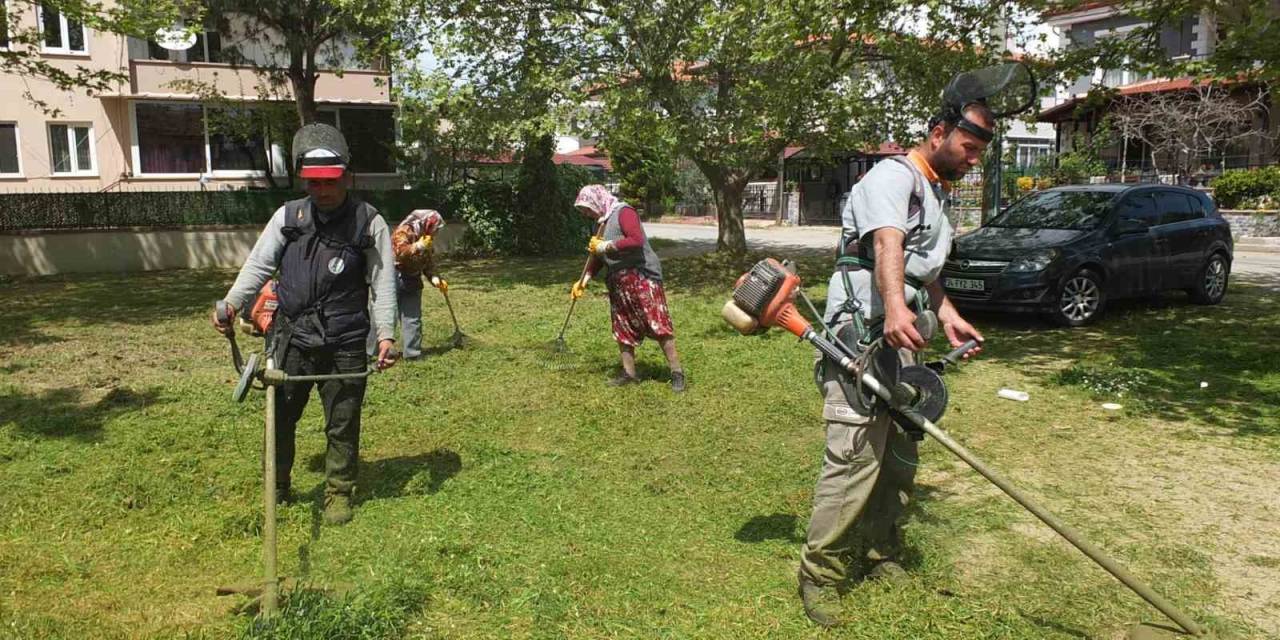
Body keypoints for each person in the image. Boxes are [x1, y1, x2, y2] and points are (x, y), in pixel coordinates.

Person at [797, 103, 990, 627]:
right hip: (861, 336)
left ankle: (882, 550)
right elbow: (887, 244)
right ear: (938, 134)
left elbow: (921, 267)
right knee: (855, 456)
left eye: (979, 152)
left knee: (901, 453)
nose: (974, 161)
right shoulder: (891, 177)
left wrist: (945, 313)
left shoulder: (934, 190)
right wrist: (895, 310)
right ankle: (820, 573)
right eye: (968, 148)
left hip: (903, 336)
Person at [211, 123, 398, 527]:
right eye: (313, 183)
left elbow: (383, 283)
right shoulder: (288, 217)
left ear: (345, 177)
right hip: (291, 336)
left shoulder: (369, 222)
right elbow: (259, 264)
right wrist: (231, 303)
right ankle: (277, 486)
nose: (322, 191)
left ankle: (338, 492)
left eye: (329, 182)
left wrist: (385, 334)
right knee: (279, 416)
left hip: (345, 340)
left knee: (342, 422)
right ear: (303, 179)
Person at [569, 185, 686, 392]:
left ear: (597, 201)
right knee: (622, 327)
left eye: (587, 208)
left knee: (657, 324)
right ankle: (629, 373)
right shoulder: (600, 224)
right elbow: (597, 257)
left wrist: (606, 246)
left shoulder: (624, 212)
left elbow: (635, 240)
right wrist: (584, 280)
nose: (586, 214)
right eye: (583, 211)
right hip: (618, 282)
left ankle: (677, 373)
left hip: (642, 277)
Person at [367, 209, 448, 361]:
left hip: (412, 279)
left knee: (412, 317)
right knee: (380, 315)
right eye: (435, 228)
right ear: (428, 223)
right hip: (393, 276)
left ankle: (412, 353)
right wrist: (418, 246)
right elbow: (400, 253)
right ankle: (367, 352)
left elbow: (427, 263)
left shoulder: (426, 238)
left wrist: (436, 279)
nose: (436, 232)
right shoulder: (404, 231)